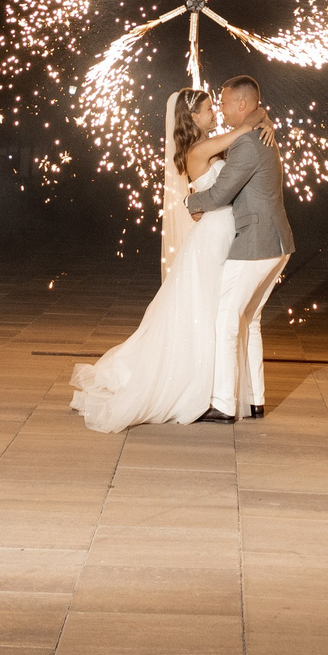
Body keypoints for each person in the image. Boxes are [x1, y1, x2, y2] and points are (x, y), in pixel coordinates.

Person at [68, 88, 250, 431]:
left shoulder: (206, 145)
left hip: (219, 230)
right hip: (213, 235)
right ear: (193, 118)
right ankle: (202, 385)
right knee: (208, 309)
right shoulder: (198, 149)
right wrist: (254, 116)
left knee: (211, 308)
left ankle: (216, 384)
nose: (215, 113)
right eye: (210, 109)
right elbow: (241, 132)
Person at [189, 74, 294, 423]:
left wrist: (191, 201)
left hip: (256, 242)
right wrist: (262, 117)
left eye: (224, 101)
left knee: (226, 317)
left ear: (242, 105)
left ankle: (222, 403)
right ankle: (255, 400)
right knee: (250, 320)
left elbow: (221, 194)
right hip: (278, 242)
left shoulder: (248, 143)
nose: (220, 108)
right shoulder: (258, 134)